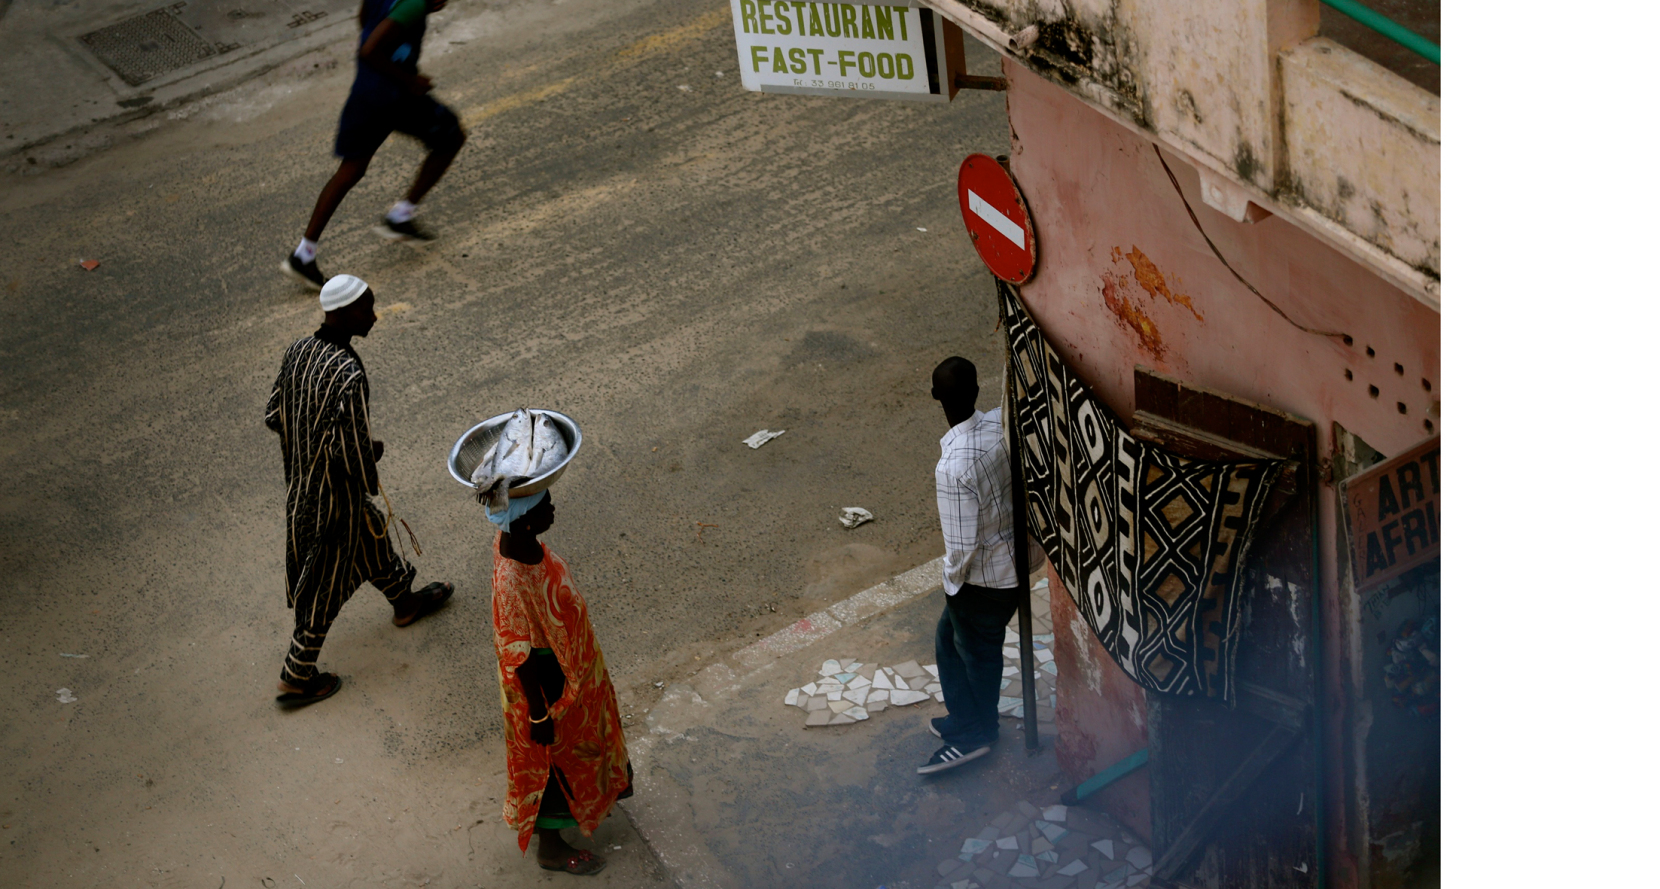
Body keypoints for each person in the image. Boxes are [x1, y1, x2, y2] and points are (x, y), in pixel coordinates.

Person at [265, 274, 454, 705]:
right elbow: (351, 455)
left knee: (371, 535)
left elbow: (275, 413)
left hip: (302, 488)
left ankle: (404, 603)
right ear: (343, 312)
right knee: (324, 584)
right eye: (366, 308)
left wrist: (308, 446)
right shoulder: (348, 372)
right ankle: (297, 675)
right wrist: (371, 454)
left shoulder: (298, 350)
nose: (373, 315)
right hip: (333, 501)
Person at [489, 490, 633, 875]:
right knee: (550, 760)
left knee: (584, 740)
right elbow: (517, 653)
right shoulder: (511, 578)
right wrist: (538, 714)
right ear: (525, 519)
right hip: (545, 685)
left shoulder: (522, 541)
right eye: (544, 506)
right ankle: (550, 848)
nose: (553, 509)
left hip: (570, 669)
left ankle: (604, 787)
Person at [281, 0, 468, 289]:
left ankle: (304, 254)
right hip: (394, 97)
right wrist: (409, 80)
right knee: (452, 137)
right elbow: (369, 50)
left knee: (351, 169)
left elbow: (364, 19)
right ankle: (401, 215)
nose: (444, 2)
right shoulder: (414, 4)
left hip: (365, 94)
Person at [918, 356, 1021, 775]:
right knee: (950, 641)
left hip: (983, 582)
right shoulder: (998, 424)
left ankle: (976, 734)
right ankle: (967, 720)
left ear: (935, 397)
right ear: (977, 390)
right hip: (1010, 565)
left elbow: (959, 550)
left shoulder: (953, 468)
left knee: (976, 653)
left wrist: (952, 586)